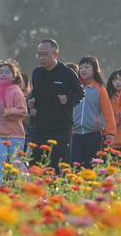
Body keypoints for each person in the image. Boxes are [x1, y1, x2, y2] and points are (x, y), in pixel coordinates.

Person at [28, 39, 85, 171]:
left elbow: (80, 94)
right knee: (37, 164)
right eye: (39, 54)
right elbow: (34, 94)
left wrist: (68, 98)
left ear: (56, 54)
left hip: (61, 128)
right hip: (40, 127)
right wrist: (31, 104)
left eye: (45, 54)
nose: (41, 58)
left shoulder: (67, 73)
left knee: (57, 165)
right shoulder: (37, 73)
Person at [71, 56, 116, 167]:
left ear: (95, 70)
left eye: (87, 67)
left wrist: (110, 133)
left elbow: (108, 113)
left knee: (91, 166)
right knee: (75, 166)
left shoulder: (100, 89)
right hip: (75, 134)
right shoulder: (74, 88)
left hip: (94, 134)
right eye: (81, 67)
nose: (83, 70)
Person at [106, 69, 121, 149]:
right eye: (114, 80)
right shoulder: (109, 97)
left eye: (120, 80)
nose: (117, 82)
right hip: (113, 136)